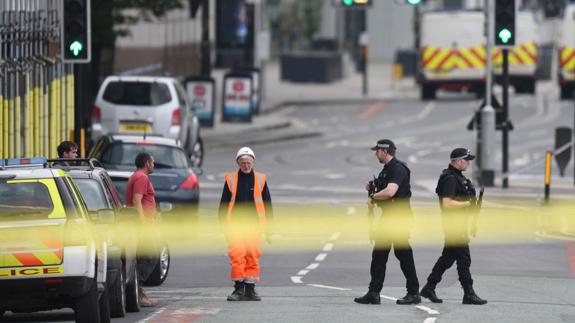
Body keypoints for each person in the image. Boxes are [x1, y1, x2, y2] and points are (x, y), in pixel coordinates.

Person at [355, 139, 420, 305]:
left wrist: (373, 196)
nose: (376, 153)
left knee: (403, 255)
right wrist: (373, 186)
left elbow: (391, 192)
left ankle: (413, 293)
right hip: (388, 217)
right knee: (379, 255)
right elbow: (385, 187)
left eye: (377, 151)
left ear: (385, 151)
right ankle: (374, 293)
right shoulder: (387, 170)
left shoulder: (398, 169)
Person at [419, 148, 487, 305]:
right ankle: (468, 293)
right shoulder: (450, 179)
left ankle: (429, 287)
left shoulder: (458, 177)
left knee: (447, 259)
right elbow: (447, 203)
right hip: (454, 225)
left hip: (458, 224)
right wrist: (468, 203)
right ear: (457, 161)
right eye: (466, 160)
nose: (469, 162)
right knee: (464, 259)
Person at [219, 147, 273, 301]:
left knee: (252, 256)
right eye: (243, 162)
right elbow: (223, 203)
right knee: (237, 256)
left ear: (253, 162)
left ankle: (250, 290)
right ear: (238, 163)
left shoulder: (261, 179)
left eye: (248, 162)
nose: (246, 165)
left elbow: (267, 204)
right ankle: (238, 289)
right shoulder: (231, 179)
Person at [126, 152, 158, 307]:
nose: (154, 164)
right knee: (151, 254)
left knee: (144, 256)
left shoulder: (138, 176)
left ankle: (137, 291)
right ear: (147, 163)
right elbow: (136, 200)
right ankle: (136, 287)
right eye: (152, 162)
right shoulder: (141, 177)